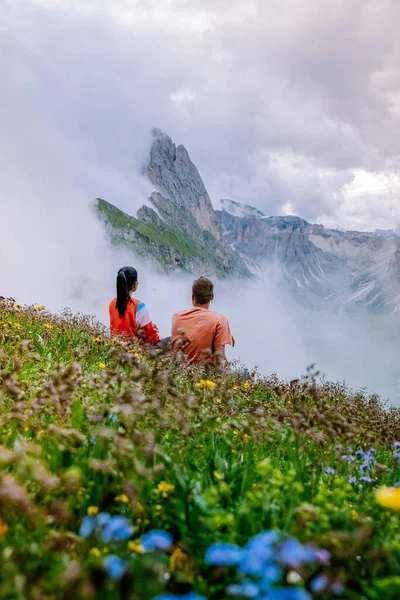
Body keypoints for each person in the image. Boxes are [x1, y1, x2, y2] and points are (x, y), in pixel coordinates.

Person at [171, 277, 234, 364]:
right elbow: (220, 358)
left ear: (193, 296)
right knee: (244, 373)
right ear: (212, 297)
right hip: (204, 374)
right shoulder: (220, 320)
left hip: (179, 370)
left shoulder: (177, 316)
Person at [109, 266, 160, 344]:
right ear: (135, 285)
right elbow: (152, 338)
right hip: (133, 351)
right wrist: (154, 330)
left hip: (115, 347)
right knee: (170, 340)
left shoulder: (112, 303)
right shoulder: (138, 306)